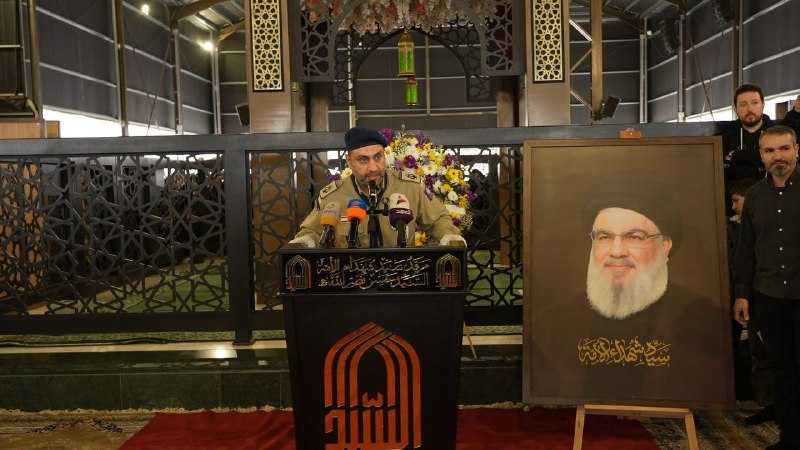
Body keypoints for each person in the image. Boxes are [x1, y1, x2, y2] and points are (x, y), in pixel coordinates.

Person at [734, 125, 800, 450]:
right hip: (769, 297)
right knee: (782, 371)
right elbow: (746, 249)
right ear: (761, 155)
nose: (778, 156)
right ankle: (790, 439)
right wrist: (742, 294)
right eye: (770, 151)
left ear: (797, 150)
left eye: (784, 149)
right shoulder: (756, 198)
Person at [289, 126, 465, 248]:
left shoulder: (410, 187)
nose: (373, 167)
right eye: (363, 160)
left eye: (378, 157)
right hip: (351, 278)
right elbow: (312, 231)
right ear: (349, 162)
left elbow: (438, 220)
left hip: (402, 275)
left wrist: (450, 237)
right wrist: (303, 242)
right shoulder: (332, 196)